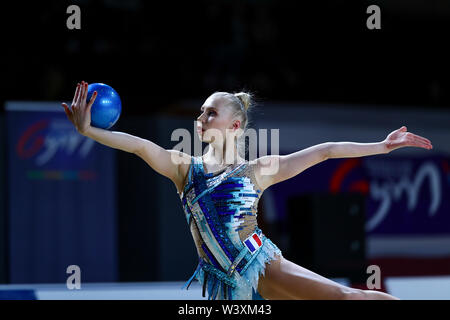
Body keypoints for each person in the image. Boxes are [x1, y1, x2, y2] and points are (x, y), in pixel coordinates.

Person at [62, 81, 433, 300]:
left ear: (236, 125)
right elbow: (141, 146)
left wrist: (381, 147)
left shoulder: (256, 170)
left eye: (211, 113)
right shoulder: (184, 168)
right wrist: (89, 131)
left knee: (345, 297)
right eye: (201, 113)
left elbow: (325, 152)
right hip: (222, 284)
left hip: (259, 265)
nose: (201, 118)